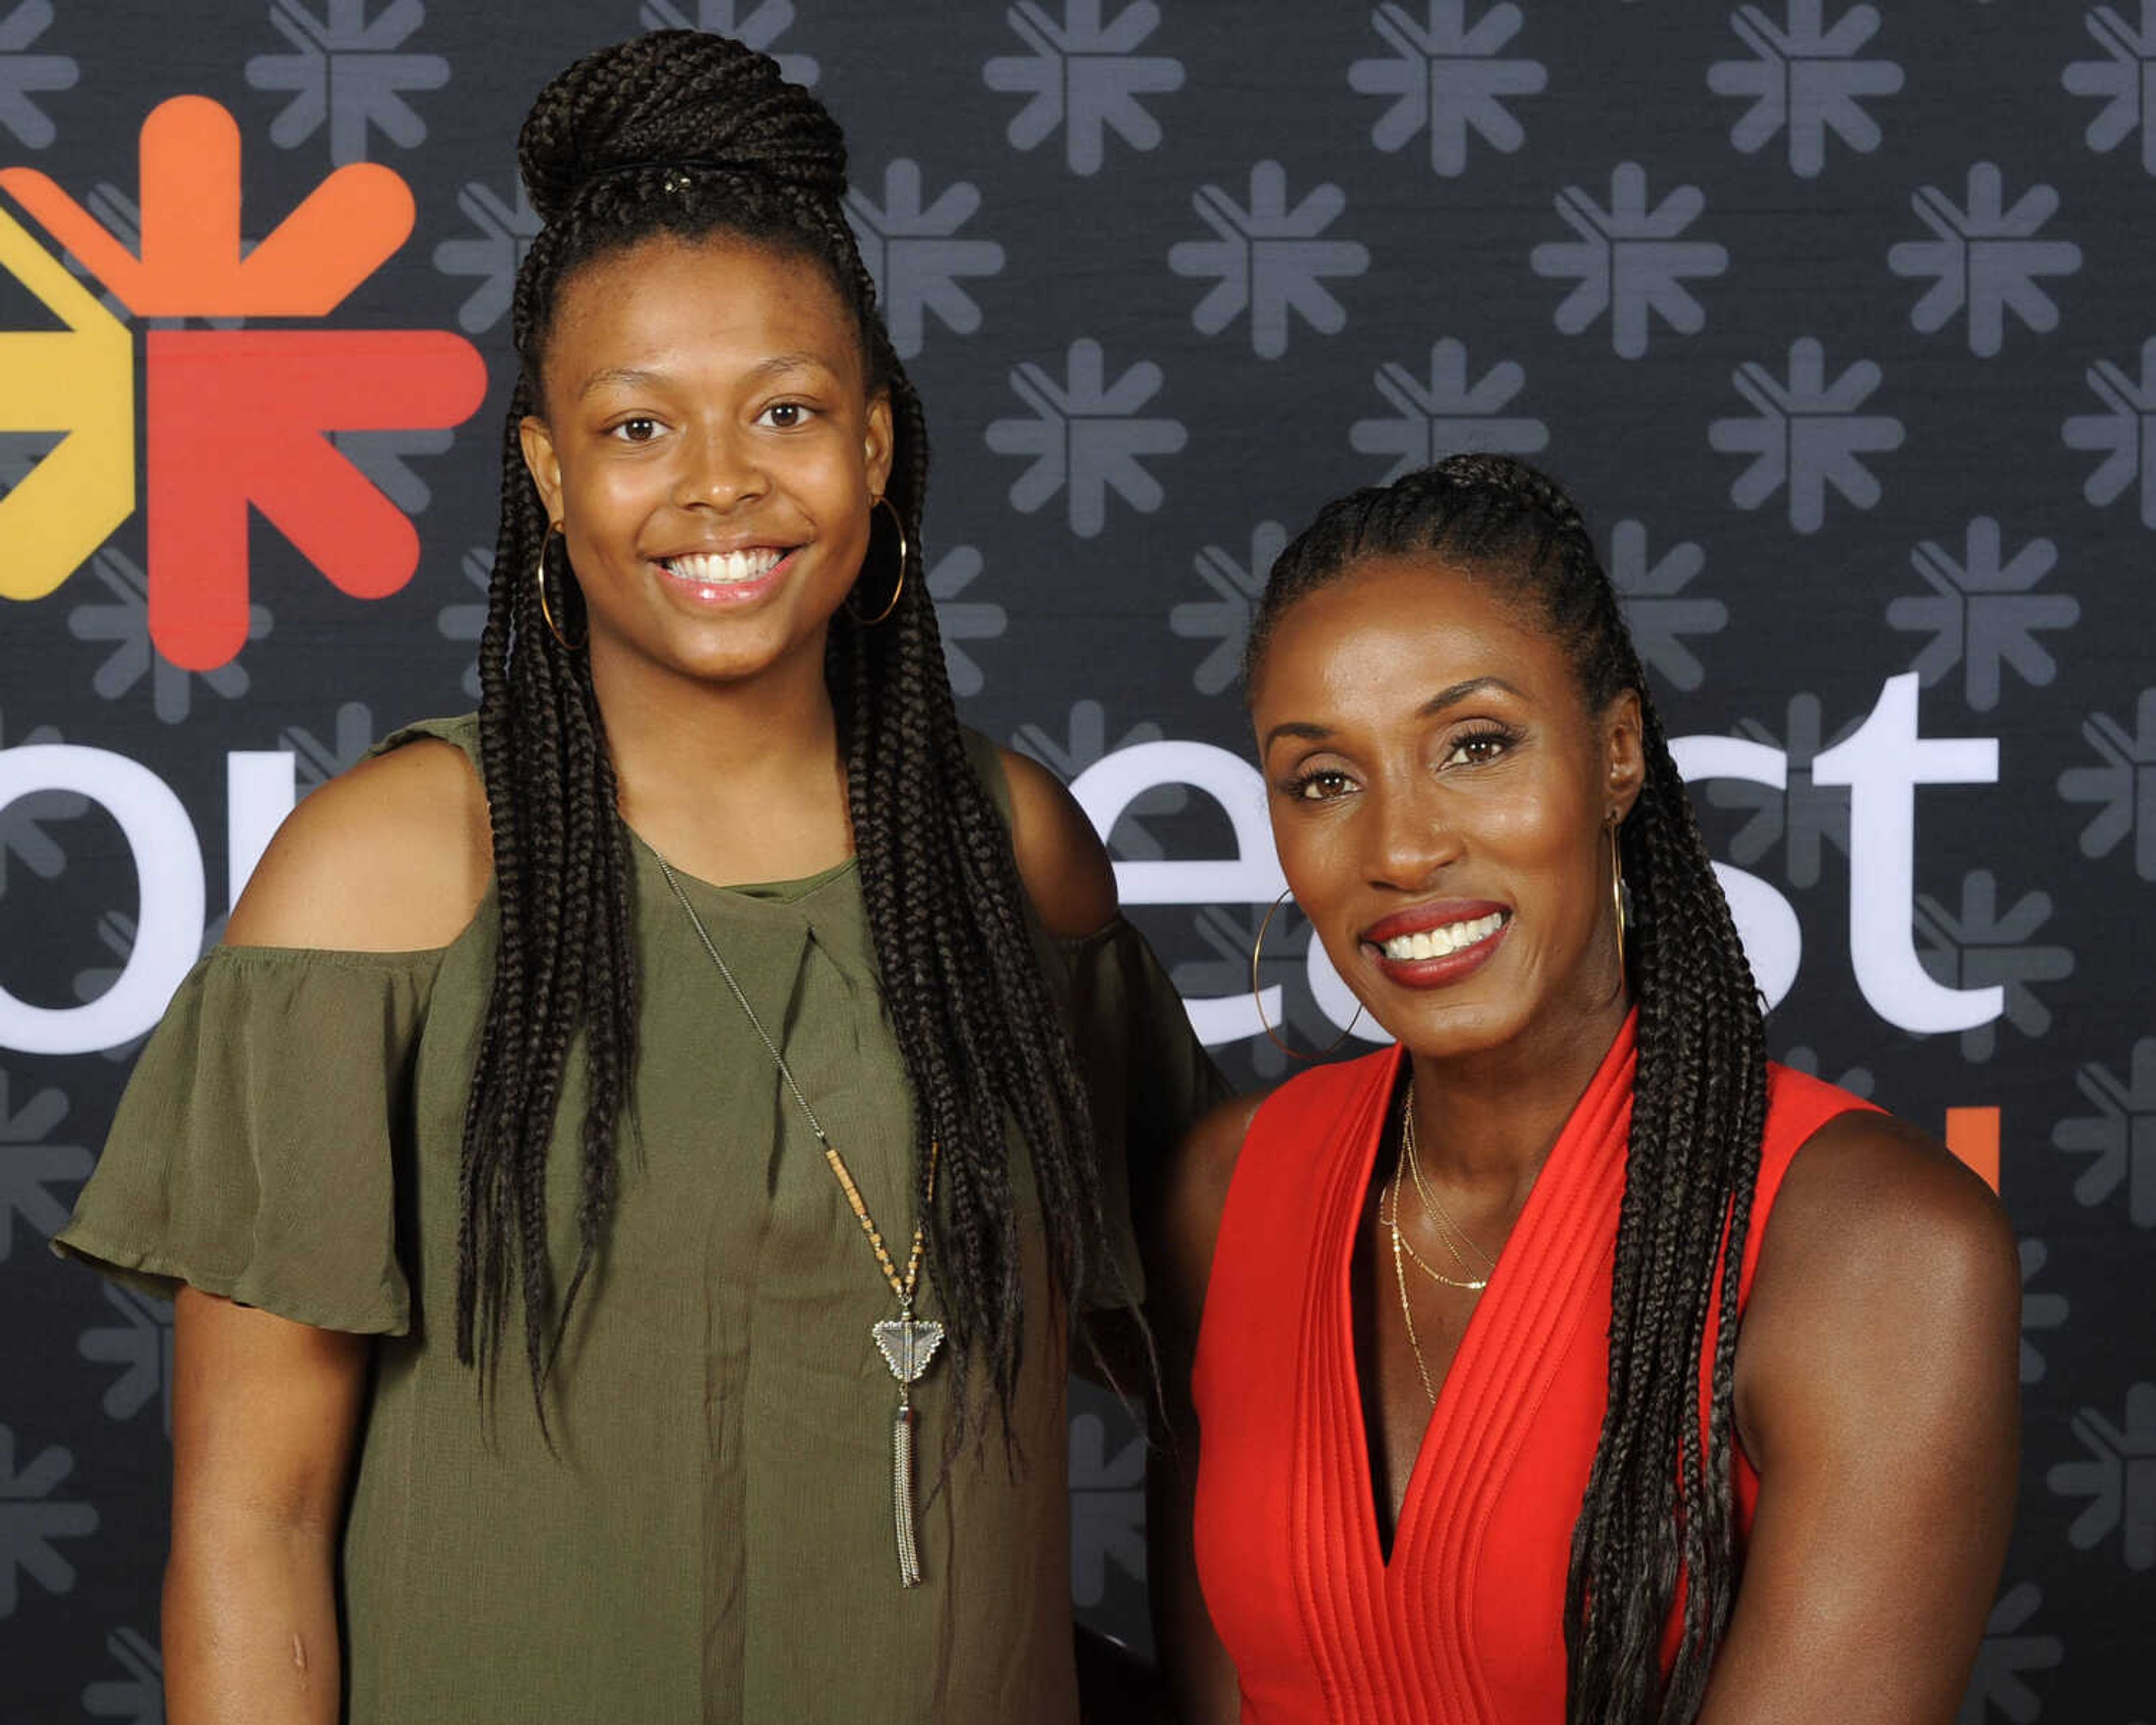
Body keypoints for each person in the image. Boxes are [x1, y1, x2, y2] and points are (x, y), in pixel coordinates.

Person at [54, 31, 1219, 1723]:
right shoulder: (386, 877)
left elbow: (1234, 1391)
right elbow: (254, 1523)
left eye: (789, 411)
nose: (721, 483)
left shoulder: (1015, 853)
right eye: (637, 426)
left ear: (879, 446)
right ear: (545, 472)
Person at [1144, 455, 2020, 1724]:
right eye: (1323, 780)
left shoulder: (1875, 1249)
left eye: (1476, 746)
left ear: (1615, 755)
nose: (1399, 848)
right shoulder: (1230, 1195)